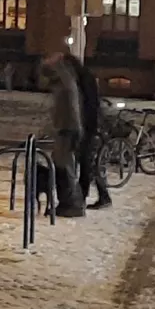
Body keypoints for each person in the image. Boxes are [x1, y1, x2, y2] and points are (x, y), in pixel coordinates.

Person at [41, 52, 87, 217]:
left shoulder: (66, 85)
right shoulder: (63, 84)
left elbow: (72, 110)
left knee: (66, 169)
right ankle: (68, 202)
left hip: (67, 131)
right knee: (63, 167)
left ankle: (72, 204)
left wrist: (75, 130)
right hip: (64, 130)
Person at [66, 52, 111, 210]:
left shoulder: (83, 80)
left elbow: (89, 105)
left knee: (87, 163)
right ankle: (99, 196)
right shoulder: (84, 77)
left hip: (90, 127)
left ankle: (84, 198)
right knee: (89, 164)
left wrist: (86, 127)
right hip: (90, 126)